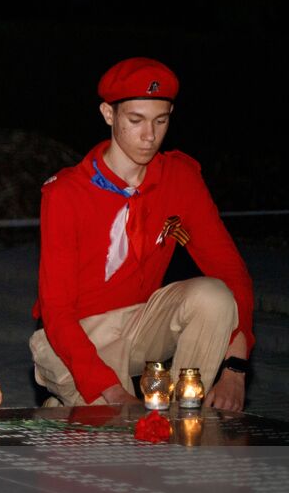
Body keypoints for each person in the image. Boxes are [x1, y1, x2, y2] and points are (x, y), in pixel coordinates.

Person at [31, 57, 253, 409]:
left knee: (214, 295)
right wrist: (117, 395)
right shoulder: (65, 194)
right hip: (78, 336)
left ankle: (185, 417)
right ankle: (64, 418)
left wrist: (236, 368)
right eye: (136, 120)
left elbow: (229, 269)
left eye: (160, 121)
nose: (149, 135)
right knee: (113, 444)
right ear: (108, 114)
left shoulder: (180, 179)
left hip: (141, 325)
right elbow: (56, 311)